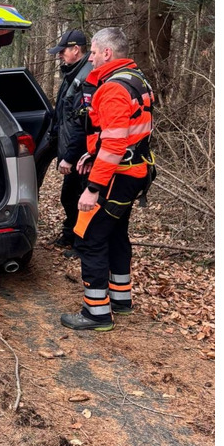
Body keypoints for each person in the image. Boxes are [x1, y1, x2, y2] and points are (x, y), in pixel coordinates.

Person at [60, 28, 155, 331]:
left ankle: (96, 313)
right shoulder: (137, 80)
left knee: (89, 237)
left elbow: (115, 145)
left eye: (94, 52)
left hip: (117, 177)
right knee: (115, 234)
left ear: (107, 54)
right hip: (135, 172)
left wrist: (92, 188)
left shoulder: (113, 88)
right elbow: (125, 136)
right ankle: (121, 299)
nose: (90, 57)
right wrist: (93, 152)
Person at [46, 28, 93, 259]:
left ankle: (81, 245)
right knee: (69, 196)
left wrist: (70, 156)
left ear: (76, 49)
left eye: (63, 51)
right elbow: (63, 115)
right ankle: (69, 234)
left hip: (83, 155)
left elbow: (82, 124)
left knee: (83, 200)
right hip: (72, 149)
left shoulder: (87, 77)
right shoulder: (72, 73)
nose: (60, 55)